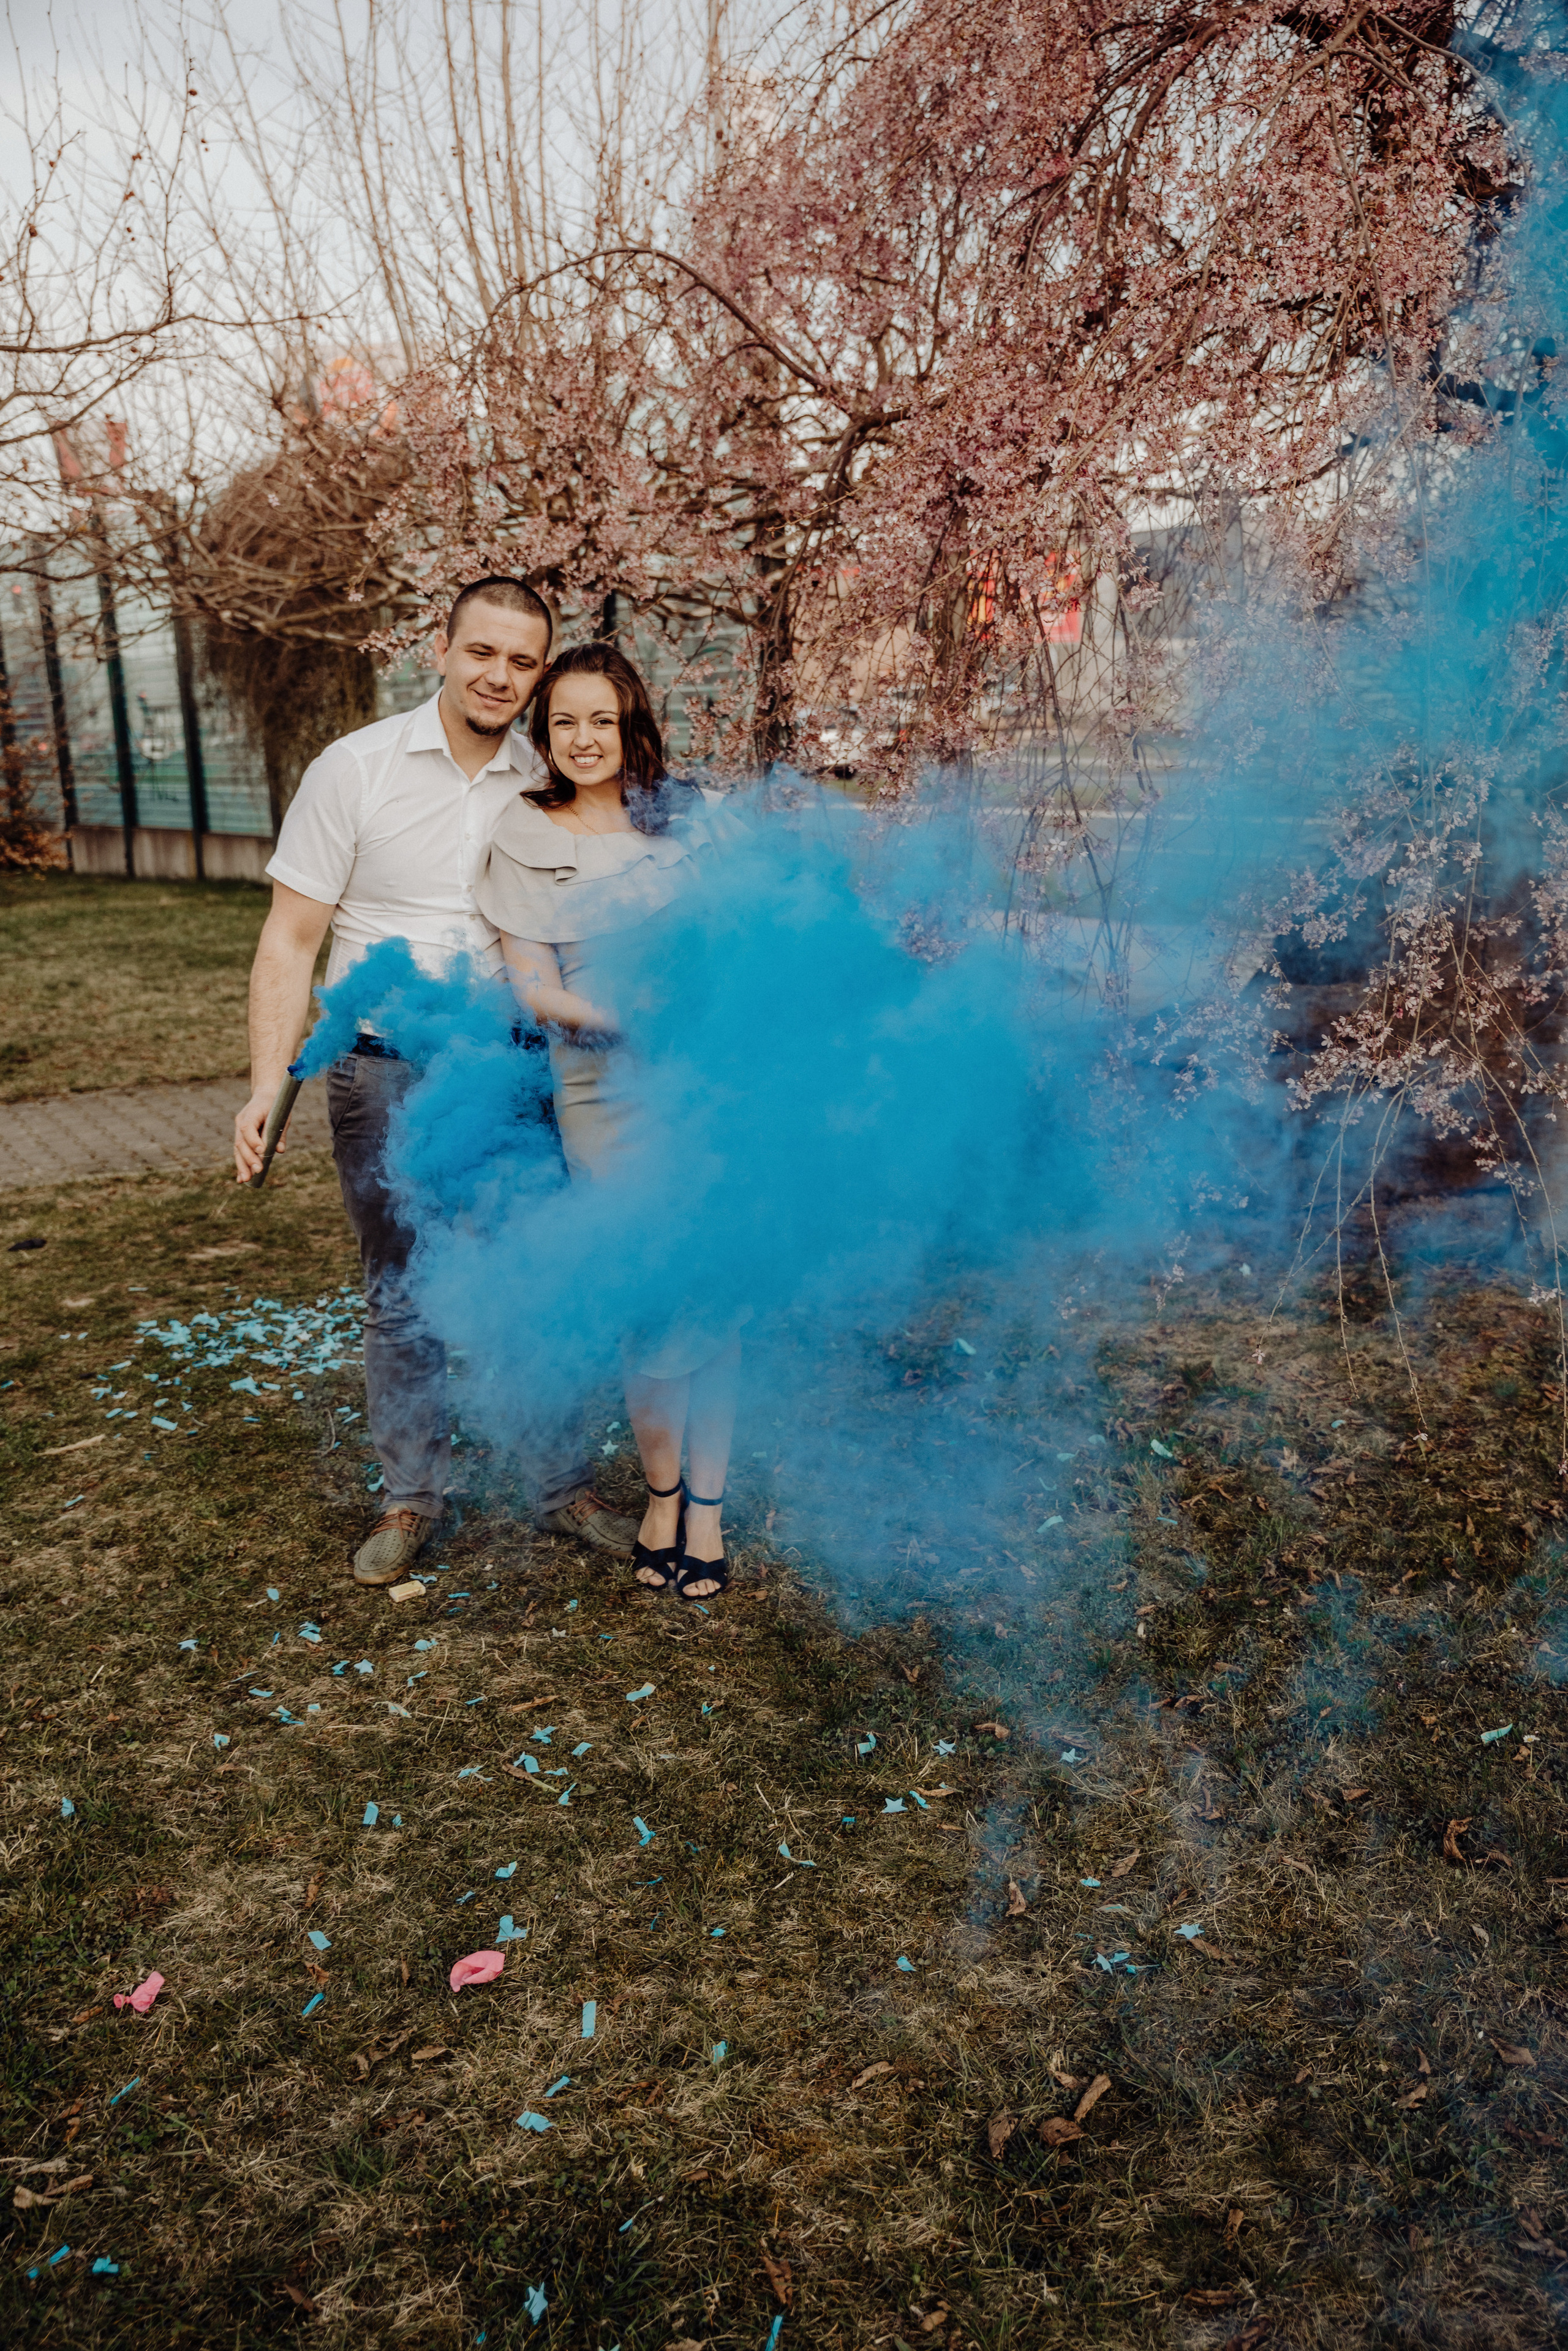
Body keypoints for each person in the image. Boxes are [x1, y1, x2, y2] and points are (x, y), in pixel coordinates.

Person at [233, 580, 637, 1585]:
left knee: (539, 1277)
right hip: (383, 1069)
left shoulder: (548, 773)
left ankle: (563, 1487)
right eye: (483, 653)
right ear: (442, 649)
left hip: (515, 1061)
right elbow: (289, 939)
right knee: (403, 1291)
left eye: (523, 661)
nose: (501, 676)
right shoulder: (354, 769)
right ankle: (412, 1498)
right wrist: (261, 1086)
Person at [475, 641, 742, 1600]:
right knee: (648, 1296)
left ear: (632, 722)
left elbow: (746, 947)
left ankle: (704, 1510)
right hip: (601, 1093)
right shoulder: (522, 831)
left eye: (601, 719)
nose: (584, 740)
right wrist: (633, 1019)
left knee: (713, 1292)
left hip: (705, 1089)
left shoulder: (691, 826)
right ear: (543, 737)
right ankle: (661, 1493)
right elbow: (537, 989)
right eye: (563, 723)